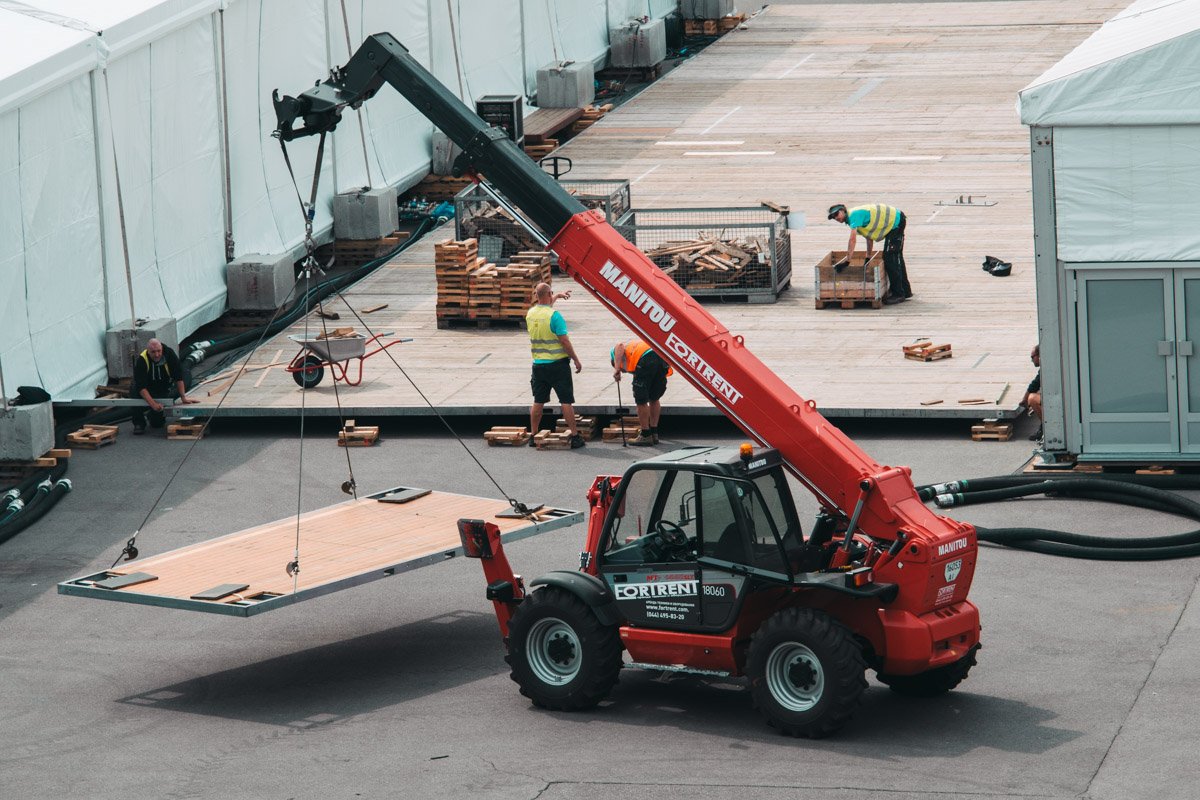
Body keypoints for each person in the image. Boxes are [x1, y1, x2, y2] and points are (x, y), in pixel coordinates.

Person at [526, 283, 585, 449]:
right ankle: (574, 436)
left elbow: (544, 308)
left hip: (538, 365)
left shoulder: (530, 314)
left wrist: (557, 296)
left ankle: (533, 435)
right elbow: (564, 341)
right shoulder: (555, 316)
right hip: (558, 365)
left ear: (536, 295)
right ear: (548, 293)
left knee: (538, 401)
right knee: (566, 400)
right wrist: (575, 359)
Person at [828, 202, 912, 304]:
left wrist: (847, 261)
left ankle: (898, 294)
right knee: (896, 256)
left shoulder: (853, 216)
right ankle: (906, 291)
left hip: (895, 222)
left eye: (837, 214)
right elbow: (869, 238)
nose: (836, 218)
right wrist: (868, 257)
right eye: (833, 217)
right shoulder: (854, 219)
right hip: (896, 221)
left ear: (843, 210)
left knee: (890, 258)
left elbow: (852, 240)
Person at [611, 339, 672, 446]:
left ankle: (645, 435)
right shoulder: (634, 352)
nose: (624, 371)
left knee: (641, 400)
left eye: (622, 370)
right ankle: (654, 433)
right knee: (654, 398)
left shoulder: (616, 354)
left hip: (646, 359)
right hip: (661, 357)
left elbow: (619, 345)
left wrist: (616, 369)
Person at [130, 338, 198, 434]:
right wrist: (153, 405)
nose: (157, 355)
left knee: (157, 424)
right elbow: (141, 388)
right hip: (144, 388)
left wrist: (183, 397)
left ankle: (152, 416)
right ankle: (139, 423)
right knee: (134, 394)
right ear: (148, 351)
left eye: (159, 351)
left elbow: (178, 377)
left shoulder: (169, 354)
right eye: (153, 352)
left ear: (161, 348)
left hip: (161, 387)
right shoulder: (142, 360)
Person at [1021, 344, 1042, 441]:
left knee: (1032, 398)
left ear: (1039, 356)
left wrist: (1025, 400)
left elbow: (1034, 385)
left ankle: (1046, 428)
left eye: (1032, 357)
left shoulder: (1045, 369)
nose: (1032, 360)